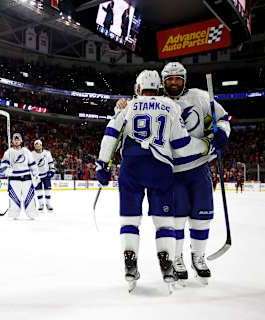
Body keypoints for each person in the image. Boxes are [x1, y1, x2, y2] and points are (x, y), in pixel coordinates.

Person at [95, 70, 213, 293]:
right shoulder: (170, 106)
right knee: (164, 223)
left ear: (138, 88)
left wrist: (102, 164)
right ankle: (167, 262)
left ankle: (130, 262)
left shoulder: (128, 106)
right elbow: (181, 144)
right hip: (160, 169)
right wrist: (206, 145)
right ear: (159, 88)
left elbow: (110, 133)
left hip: (131, 169)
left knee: (129, 221)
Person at [161, 62, 231, 284]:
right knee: (177, 219)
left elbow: (222, 119)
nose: (174, 82)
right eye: (169, 79)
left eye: (177, 78)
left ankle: (198, 257)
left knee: (202, 218)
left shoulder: (200, 98)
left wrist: (222, 133)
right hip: (172, 171)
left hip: (199, 168)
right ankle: (178, 258)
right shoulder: (159, 104)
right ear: (163, 82)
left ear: (184, 79)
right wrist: (120, 106)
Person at [0, 133, 40, 220]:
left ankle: (31, 213)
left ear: (21, 141)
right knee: (14, 197)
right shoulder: (8, 152)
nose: (17, 141)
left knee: (29, 197)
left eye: (18, 139)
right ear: (12, 141)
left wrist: (36, 175)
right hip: (14, 179)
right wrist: (7, 170)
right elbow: (3, 166)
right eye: (15, 139)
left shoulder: (26, 151)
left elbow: (32, 164)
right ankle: (14, 213)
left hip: (27, 178)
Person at [31, 139, 56, 212]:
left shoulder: (47, 153)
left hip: (46, 174)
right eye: (36, 145)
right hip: (36, 175)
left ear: (41, 145)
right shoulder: (31, 154)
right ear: (34, 146)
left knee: (47, 190)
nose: (37, 146)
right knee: (38, 190)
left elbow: (51, 163)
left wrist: (52, 170)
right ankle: (41, 204)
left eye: (39, 145)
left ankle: (48, 204)